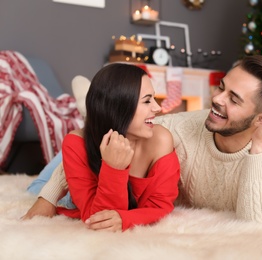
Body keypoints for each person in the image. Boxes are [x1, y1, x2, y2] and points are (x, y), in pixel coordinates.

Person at [23, 55, 262, 227]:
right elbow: (107, 131)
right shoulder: (185, 126)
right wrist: (47, 196)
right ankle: (94, 106)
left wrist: (259, 149)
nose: (217, 99)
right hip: (99, 158)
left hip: (120, 174)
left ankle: (94, 105)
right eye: (222, 87)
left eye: (233, 99)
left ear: (261, 119)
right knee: (40, 185)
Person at [22, 63, 181, 232]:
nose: (158, 108)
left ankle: (89, 110)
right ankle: (90, 113)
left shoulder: (161, 140)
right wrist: (114, 169)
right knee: (36, 190)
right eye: (147, 100)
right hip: (81, 173)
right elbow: (96, 218)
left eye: (154, 99)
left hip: (98, 139)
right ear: (119, 107)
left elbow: (160, 206)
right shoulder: (76, 143)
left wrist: (126, 219)